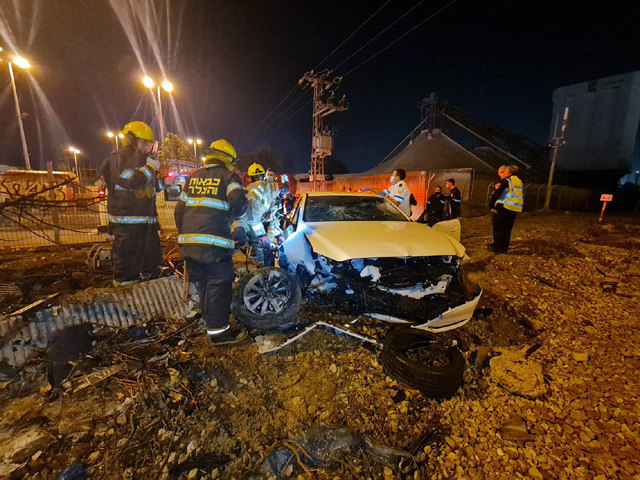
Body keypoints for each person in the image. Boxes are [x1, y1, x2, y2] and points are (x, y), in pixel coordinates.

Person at [174, 139, 248, 345]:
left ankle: (210, 325)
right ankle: (219, 335)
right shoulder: (228, 177)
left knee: (204, 286)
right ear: (227, 159)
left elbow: (179, 211)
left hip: (190, 246)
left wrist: (186, 236)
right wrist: (236, 218)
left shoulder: (193, 178)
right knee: (219, 286)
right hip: (214, 248)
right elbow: (239, 204)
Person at [100, 121, 163, 286]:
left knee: (153, 266)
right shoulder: (118, 158)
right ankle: (125, 300)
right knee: (127, 268)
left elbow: (151, 188)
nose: (149, 147)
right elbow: (127, 180)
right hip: (127, 226)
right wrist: (149, 169)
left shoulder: (143, 161)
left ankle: (151, 298)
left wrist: (166, 183)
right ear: (134, 139)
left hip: (146, 224)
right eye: (146, 142)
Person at [489, 165, 523, 254]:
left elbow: (496, 194)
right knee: (507, 230)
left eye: (503, 172)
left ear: (508, 172)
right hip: (514, 208)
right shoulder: (518, 182)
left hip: (503, 207)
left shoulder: (506, 181)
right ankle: (504, 249)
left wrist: (491, 206)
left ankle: (497, 249)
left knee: (498, 229)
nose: (501, 174)